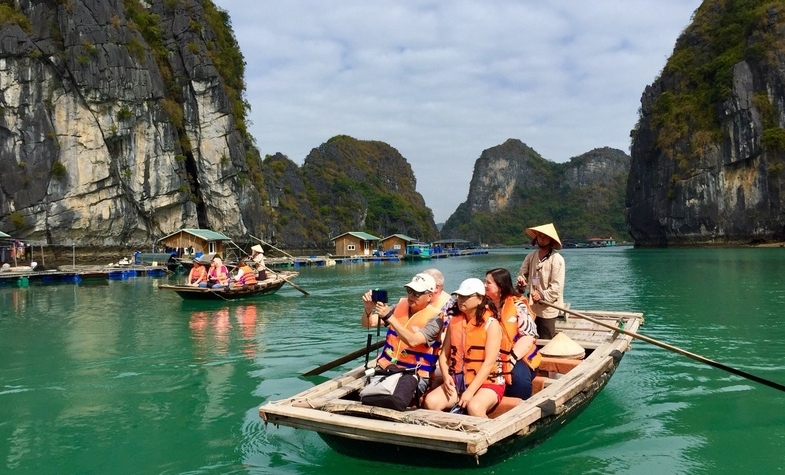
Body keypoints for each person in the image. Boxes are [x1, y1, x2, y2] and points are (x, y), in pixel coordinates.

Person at [424, 278, 504, 418]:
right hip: (458, 381)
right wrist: (446, 375)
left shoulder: (492, 324)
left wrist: (470, 392)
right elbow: (443, 355)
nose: (461, 300)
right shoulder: (454, 323)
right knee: (431, 402)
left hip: (488, 382)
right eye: (459, 296)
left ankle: (492, 438)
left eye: (466, 297)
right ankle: (449, 433)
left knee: (475, 407)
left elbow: (489, 363)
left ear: (480, 299)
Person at [361, 273, 443, 395]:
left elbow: (413, 341)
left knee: (389, 396)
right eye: (409, 290)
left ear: (430, 296)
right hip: (388, 368)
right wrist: (368, 309)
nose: (411, 295)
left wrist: (389, 316)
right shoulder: (400, 306)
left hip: (414, 375)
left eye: (416, 293)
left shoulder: (436, 319)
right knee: (370, 393)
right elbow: (368, 323)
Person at [485, 268, 540, 399]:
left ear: (501, 286)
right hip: (487, 353)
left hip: (515, 354)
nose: (485, 286)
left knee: (520, 383)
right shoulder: (481, 305)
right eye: (484, 282)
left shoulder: (517, 305)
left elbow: (528, 336)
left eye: (489, 283)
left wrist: (512, 359)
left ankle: (518, 408)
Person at [516, 223, 565, 340]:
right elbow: (522, 275)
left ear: (551, 240)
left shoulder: (557, 259)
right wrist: (521, 283)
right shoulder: (530, 257)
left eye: (544, 237)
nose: (541, 239)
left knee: (545, 339)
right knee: (529, 337)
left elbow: (557, 286)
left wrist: (542, 295)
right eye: (539, 236)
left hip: (548, 307)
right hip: (532, 307)